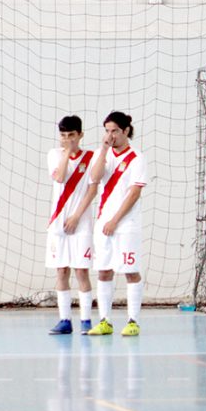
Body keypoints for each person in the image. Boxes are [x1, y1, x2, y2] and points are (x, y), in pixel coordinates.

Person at [87, 111, 148, 336]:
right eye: (107, 130)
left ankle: (133, 321)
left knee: (130, 271)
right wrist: (104, 150)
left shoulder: (137, 158)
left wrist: (115, 220)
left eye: (114, 131)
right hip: (104, 223)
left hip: (126, 224)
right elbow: (95, 178)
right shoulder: (101, 154)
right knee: (104, 271)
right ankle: (105, 321)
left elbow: (134, 194)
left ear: (126, 131)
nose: (110, 135)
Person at [46, 115, 98, 335]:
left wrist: (76, 216)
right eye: (63, 135)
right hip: (58, 222)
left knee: (81, 271)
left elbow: (92, 190)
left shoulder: (91, 157)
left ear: (80, 135)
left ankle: (86, 321)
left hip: (81, 222)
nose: (67, 139)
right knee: (61, 270)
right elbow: (59, 177)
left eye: (71, 135)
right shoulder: (54, 155)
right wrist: (66, 153)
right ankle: (65, 320)